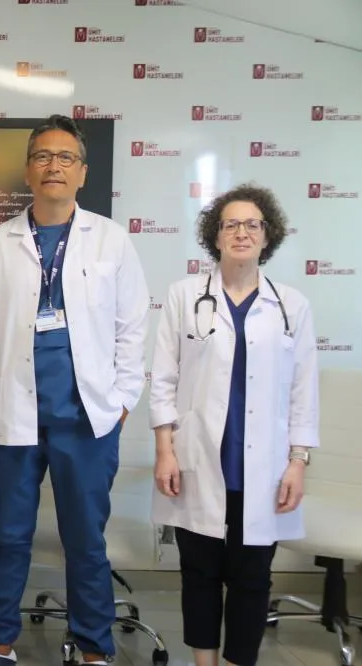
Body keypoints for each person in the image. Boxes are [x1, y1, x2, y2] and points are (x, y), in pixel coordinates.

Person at [0, 114, 149, 666]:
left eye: (66, 158)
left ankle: (94, 648)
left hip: (86, 420)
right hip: (11, 417)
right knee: (8, 535)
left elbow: (133, 329)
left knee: (86, 539)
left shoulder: (111, 241)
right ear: (27, 170)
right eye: (43, 156)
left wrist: (121, 403)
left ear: (83, 172)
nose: (54, 166)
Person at [148, 184, 319, 666]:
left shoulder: (292, 305)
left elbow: (303, 390)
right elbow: (163, 379)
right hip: (198, 457)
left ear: (268, 235)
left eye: (252, 224)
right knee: (199, 572)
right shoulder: (184, 296)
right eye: (231, 224)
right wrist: (165, 450)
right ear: (215, 235)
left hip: (264, 466)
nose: (241, 232)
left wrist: (298, 461)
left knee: (252, 577)